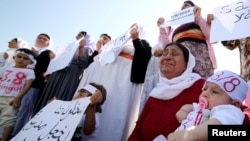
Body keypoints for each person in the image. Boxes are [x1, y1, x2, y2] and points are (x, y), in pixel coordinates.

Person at [75, 23, 151, 141]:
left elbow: (144, 57)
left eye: (137, 26)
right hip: (107, 77)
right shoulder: (117, 44)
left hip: (124, 79)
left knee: (116, 111)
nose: (133, 28)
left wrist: (136, 39)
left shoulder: (143, 43)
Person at [128, 42, 206, 141]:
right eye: (164, 54)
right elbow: (137, 131)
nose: (167, 57)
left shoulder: (202, 87)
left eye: (174, 54)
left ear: (186, 64)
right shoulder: (157, 92)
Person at [165, 70, 248, 141]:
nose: (205, 93)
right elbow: (190, 106)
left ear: (234, 104)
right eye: (205, 89)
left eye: (214, 92)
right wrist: (184, 110)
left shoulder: (230, 111)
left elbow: (218, 124)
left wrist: (192, 134)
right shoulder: (200, 107)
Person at [32, 31, 95, 115]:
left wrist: (81, 47)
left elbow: (83, 63)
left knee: (61, 96)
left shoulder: (87, 48)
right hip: (57, 74)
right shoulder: (68, 47)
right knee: (49, 94)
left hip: (70, 76)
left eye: (80, 35)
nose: (77, 36)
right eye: (77, 34)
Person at [158, 0, 217, 79]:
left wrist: (198, 18)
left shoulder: (203, 21)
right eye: (182, 7)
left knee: (201, 88)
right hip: (181, 66)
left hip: (201, 65)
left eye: (186, 5)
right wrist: (162, 28)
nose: (183, 7)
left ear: (194, 8)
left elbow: (213, 38)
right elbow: (167, 47)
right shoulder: (176, 30)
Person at [12, 33, 55, 136]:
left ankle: (16, 135)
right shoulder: (28, 52)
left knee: (24, 111)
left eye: (45, 39)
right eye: (39, 38)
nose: (41, 40)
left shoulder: (47, 53)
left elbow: (46, 68)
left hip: (34, 85)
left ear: (49, 43)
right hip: (17, 84)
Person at [0, 48, 36, 141]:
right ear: (14, 57)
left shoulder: (29, 72)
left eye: (25, 58)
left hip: (12, 98)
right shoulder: (5, 68)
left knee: (9, 120)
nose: (21, 59)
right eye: (19, 56)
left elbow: (28, 85)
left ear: (30, 62)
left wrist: (18, 98)